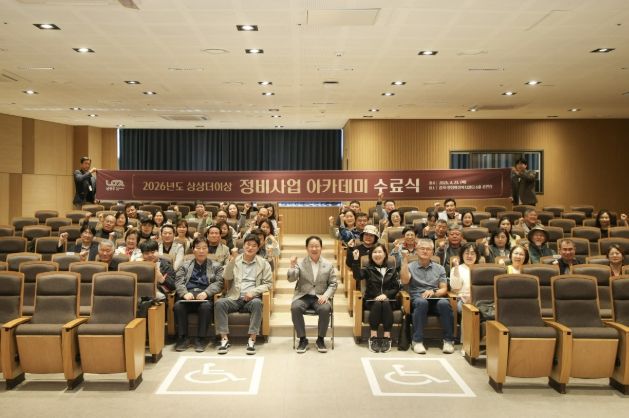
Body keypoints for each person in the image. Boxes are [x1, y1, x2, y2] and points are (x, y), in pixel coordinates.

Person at [215, 234, 273, 355]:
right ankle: (224, 339)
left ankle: (252, 339)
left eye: (254, 246)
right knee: (220, 303)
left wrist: (253, 292)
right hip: (234, 297)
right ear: (243, 246)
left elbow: (268, 284)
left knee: (257, 303)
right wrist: (232, 261)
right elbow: (226, 277)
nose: (250, 248)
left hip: (251, 299)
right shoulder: (235, 260)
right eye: (248, 245)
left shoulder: (263, 263)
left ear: (258, 248)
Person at [400, 239, 454, 354]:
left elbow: (444, 289)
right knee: (422, 302)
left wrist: (433, 292)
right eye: (422, 248)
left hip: (434, 298)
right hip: (417, 298)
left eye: (428, 249)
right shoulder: (410, 266)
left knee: (444, 303)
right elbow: (404, 281)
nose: (425, 251)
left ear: (432, 252)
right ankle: (417, 341)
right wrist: (404, 260)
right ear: (416, 251)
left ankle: (448, 341)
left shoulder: (440, 268)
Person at [173, 237, 224, 353]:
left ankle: (201, 339)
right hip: (188, 296)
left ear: (208, 250)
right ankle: (183, 338)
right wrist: (184, 293)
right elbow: (178, 281)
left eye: (204, 248)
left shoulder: (216, 266)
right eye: (198, 248)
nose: (201, 251)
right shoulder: (184, 265)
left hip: (204, 296)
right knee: (178, 306)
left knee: (205, 307)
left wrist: (207, 292)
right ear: (193, 250)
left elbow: (219, 283)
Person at [288, 236, 337, 353]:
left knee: (325, 308)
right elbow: (291, 279)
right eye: (311, 246)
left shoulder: (328, 264)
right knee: (295, 307)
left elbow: (333, 284)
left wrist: (326, 295)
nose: (314, 249)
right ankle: (302, 339)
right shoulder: (300, 263)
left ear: (321, 248)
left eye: (317, 246)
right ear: (307, 248)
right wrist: (292, 266)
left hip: (320, 296)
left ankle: (320, 339)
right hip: (303, 296)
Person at [351, 243, 400, 353]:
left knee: (385, 302)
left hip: (389, 301)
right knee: (378, 303)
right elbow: (357, 276)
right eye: (375, 252)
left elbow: (396, 287)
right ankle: (373, 336)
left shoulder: (392, 270)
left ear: (385, 254)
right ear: (371, 255)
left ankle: (387, 336)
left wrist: (385, 295)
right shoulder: (368, 269)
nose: (377, 254)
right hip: (372, 301)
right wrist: (355, 260)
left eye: (380, 252)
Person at [449, 243, 480, 320]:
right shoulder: (456, 269)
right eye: (466, 253)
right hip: (462, 300)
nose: (469, 256)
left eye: (472, 253)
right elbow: (455, 287)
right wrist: (456, 268)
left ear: (477, 256)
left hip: (479, 300)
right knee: (469, 310)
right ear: (462, 255)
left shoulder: (481, 269)